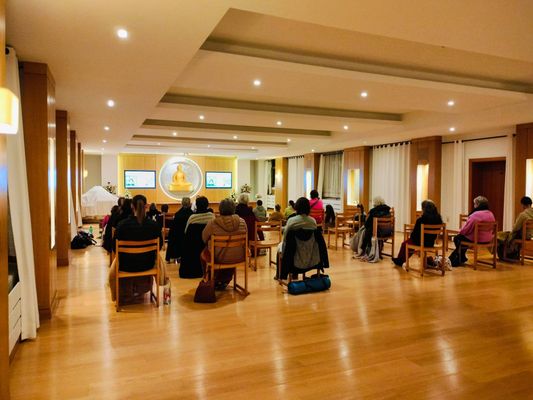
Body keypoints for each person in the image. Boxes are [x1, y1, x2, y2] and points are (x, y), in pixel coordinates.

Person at [108, 195, 166, 302]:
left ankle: (125, 291)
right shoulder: (153, 225)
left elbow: (114, 248)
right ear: (146, 206)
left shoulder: (122, 225)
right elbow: (160, 246)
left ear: (132, 206)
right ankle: (142, 288)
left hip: (126, 265)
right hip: (147, 264)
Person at [201, 198, 248, 289]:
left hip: (219, 258)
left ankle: (210, 279)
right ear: (234, 208)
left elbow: (204, 238)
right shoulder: (242, 222)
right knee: (231, 252)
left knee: (204, 253)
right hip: (239, 257)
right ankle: (224, 280)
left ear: (220, 209)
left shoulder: (213, 223)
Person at [392, 200, 443, 267]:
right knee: (409, 242)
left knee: (405, 244)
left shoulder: (420, 220)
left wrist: (411, 235)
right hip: (431, 243)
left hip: (420, 242)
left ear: (424, 209)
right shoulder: (438, 219)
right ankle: (400, 260)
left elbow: (414, 235)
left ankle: (400, 261)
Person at [449, 196, 496, 266]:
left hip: (478, 238)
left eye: (474, 204)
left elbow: (466, 229)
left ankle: (459, 257)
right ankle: (461, 257)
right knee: (462, 239)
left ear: (478, 204)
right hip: (488, 239)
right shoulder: (491, 214)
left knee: (457, 238)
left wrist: (460, 232)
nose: (474, 205)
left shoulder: (475, 215)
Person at [180, 196, 214, 278]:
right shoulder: (212, 217)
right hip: (208, 247)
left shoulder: (192, 218)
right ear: (207, 205)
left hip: (193, 249)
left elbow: (186, 232)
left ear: (196, 205)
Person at [497, 196, 533, 260]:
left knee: (501, 235)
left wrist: (512, 232)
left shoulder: (523, 215)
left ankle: (505, 255)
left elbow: (515, 228)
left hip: (521, 235)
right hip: (530, 235)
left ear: (523, 205)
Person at [165, 197, 193, 262]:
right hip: (189, 239)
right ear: (190, 204)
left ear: (182, 204)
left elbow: (173, 230)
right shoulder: (192, 215)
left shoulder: (177, 214)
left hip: (178, 238)